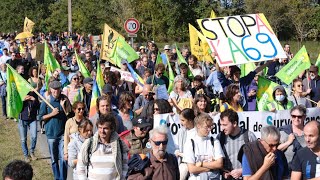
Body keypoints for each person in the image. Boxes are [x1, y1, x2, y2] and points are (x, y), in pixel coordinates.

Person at [77, 114, 129, 179]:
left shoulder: (120, 145)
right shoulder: (89, 143)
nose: (102, 131)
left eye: (105, 128)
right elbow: (80, 167)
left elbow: (125, 166)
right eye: (100, 128)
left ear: (111, 129)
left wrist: (122, 178)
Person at [38, 81, 72, 180]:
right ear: (50, 89)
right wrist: (52, 114)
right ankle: (57, 177)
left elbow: (70, 115)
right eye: (54, 89)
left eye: (57, 89)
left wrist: (63, 107)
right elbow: (40, 117)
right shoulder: (46, 101)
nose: (55, 91)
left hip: (63, 134)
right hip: (51, 134)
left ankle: (62, 178)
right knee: (54, 159)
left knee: (64, 159)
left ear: (60, 89)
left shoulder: (64, 99)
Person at [217, 109, 257, 180]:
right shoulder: (220, 137)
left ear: (234, 123)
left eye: (225, 125)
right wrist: (223, 172)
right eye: (221, 125)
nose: (222, 128)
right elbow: (217, 160)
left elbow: (258, 160)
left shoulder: (249, 136)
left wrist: (242, 171)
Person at [183, 112, 224, 179]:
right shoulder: (190, 143)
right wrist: (211, 168)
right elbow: (192, 169)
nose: (209, 129)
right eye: (207, 127)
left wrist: (201, 164)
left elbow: (219, 164)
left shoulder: (214, 141)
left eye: (210, 126)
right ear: (198, 126)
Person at [278, 105, 306, 171]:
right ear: (291, 117)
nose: (296, 119)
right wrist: (288, 142)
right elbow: (275, 150)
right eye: (294, 116)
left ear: (304, 117)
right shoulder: (283, 132)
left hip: (306, 169)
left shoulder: (309, 131)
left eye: (299, 116)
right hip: (288, 170)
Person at [174, 108, 196, 180]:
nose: (181, 122)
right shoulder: (181, 131)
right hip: (184, 163)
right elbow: (177, 147)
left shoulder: (198, 132)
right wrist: (177, 152)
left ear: (190, 120)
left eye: (183, 120)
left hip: (196, 164)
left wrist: (181, 154)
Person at [18, 91, 40, 162]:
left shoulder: (34, 94)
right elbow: (16, 106)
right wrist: (22, 100)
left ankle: (32, 152)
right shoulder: (20, 93)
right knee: (23, 139)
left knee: (34, 136)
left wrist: (34, 100)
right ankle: (26, 155)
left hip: (32, 119)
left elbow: (38, 107)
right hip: (22, 119)